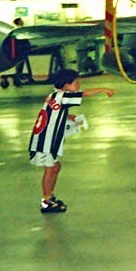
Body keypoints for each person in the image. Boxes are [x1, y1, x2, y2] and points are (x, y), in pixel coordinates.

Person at [28, 68, 115, 213]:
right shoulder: (63, 96)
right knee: (50, 169)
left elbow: (54, 111)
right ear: (66, 85)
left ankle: (50, 195)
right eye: (76, 83)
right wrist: (103, 89)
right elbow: (84, 94)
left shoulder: (54, 95)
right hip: (45, 142)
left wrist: (69, 117)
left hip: (46, 141)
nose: (79, 85)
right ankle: (46, 200)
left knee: (55, 167)